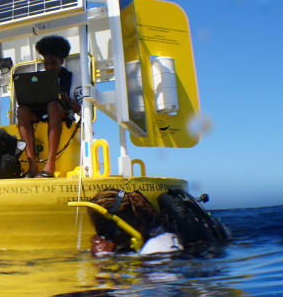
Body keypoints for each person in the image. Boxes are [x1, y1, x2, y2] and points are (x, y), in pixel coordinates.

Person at [16, 35, 83, 178]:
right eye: (46, 64)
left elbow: (81, 109)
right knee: (21, 111)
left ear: (62, 61)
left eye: (54, 63)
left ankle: (50, 165)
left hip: (62, 112)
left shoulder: (74, 79)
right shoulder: (38, 77)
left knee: (53, 106)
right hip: (39, 111)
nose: (49, 67)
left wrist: (66, 99)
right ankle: (32, 165)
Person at [85, 188, 182, 257]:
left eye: (103, 231)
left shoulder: (156, 250)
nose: (103, 238)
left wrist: (104, 260)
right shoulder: (159, 235)